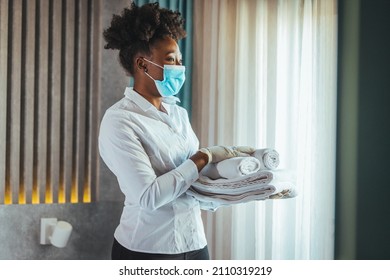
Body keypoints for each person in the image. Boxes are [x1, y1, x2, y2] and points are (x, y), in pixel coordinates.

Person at [99, 1, 254, 260]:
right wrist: (203, 156)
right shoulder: (120, 121)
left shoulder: (178, 114)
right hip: (147, 249)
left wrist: (234, 189)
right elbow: (148, 196)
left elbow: (194, 180)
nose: (180, 68)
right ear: (142, 64)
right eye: (171, 60)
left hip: (194, 242)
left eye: (180, 60)